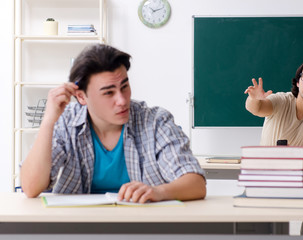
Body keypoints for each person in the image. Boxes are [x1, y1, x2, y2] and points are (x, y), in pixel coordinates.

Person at [20, 44, 206, 203]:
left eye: (124, 87)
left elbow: (195, 183)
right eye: (108, 93)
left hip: (144, 226)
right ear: (81, 97)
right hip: (80, 228)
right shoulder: (65, 122)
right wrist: (48, 122)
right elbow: (30, 187)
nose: (122, 100)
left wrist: (159, 192)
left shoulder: (155, 121)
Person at [244, 58, 303, 240]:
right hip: (265, 175)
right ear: (298, 82)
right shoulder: (281, 100)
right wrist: (254, 99)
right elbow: (258, 108)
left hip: (298, 175)